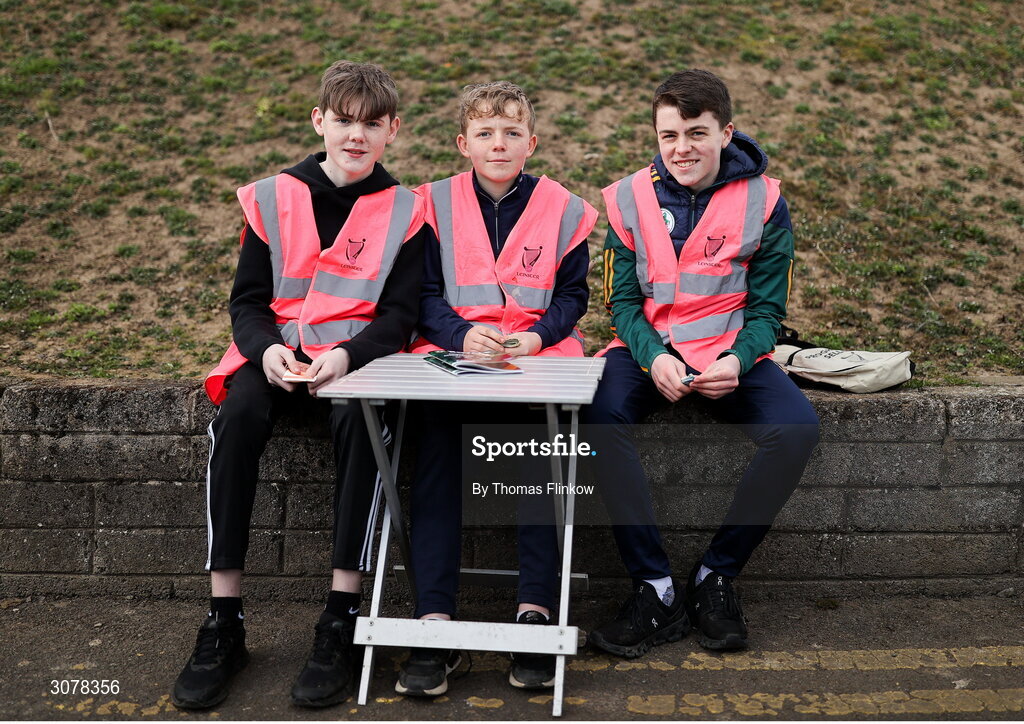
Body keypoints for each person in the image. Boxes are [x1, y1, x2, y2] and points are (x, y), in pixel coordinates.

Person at [171, 60, 426, 709]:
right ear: (320, 121)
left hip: (353, 359)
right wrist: (270, 352)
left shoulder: (406, 210)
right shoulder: (273, 196)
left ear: (392, 129)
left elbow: (400, 315)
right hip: (276, 353)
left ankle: (339, 618)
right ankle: (223, 621)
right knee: (237, 419)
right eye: (343, 120)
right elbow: (248, 302)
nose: (356, 134)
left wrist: (348, 354)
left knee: (360, 420)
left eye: (372, 123)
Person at [582, 69, 820, 659]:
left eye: (696, 133)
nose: (681, 148)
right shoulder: (628, 197)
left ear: (726, 132)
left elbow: (768, 310)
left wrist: (738, 359)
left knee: (796, 429)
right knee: (595, 419)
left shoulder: (766, 201)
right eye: (668, 136)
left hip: (732, 354)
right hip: (646, 353)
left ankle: (716, 577)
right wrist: (653, 356)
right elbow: (622, 302)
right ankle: (655, 589)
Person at [396, 81, 597, 696]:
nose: (499, 143)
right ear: (464, 144)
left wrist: (536, 339)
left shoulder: (563, 207)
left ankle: (534, 612)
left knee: (539, 465)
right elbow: (421, 295)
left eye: (512, 132)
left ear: (531, 143)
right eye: (485, 133)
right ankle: (435, 623)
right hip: (455, 359)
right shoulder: (429, 204)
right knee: (432, 461)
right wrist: (460, 335)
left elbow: (573, 297)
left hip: (534, 360)